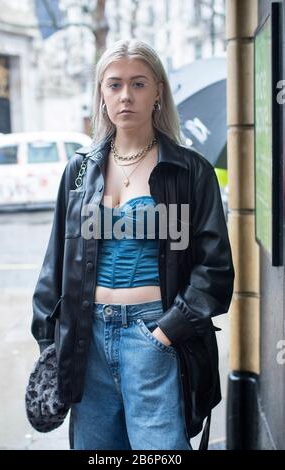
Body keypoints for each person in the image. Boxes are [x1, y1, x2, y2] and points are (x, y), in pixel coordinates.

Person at [31, 39, 234, 450]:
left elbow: (215, 270)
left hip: (155, 335)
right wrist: (50, 342)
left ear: (158, 90)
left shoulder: (189, 171)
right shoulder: (79, 171)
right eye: (115, 85)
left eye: (139, 84)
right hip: (86, 339)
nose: (126, 95)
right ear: (101, 94)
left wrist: (164, 334)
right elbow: (56, 262)